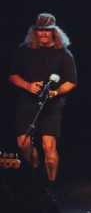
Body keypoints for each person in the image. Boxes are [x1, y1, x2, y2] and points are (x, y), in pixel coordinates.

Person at [8, 13, 77, 183]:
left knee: (48, 144)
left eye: (48, 30)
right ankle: (37, 171)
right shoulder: (23, 50)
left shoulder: (63, 53)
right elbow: (13, 76)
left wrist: (55, 92)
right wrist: (28, 86)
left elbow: (72, 81)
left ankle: (51, 184)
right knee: (23, 143)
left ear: (54, 31)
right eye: (40, 30)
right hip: (28, 102)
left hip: (52, 104)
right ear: (35, 31)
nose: (44, 33)